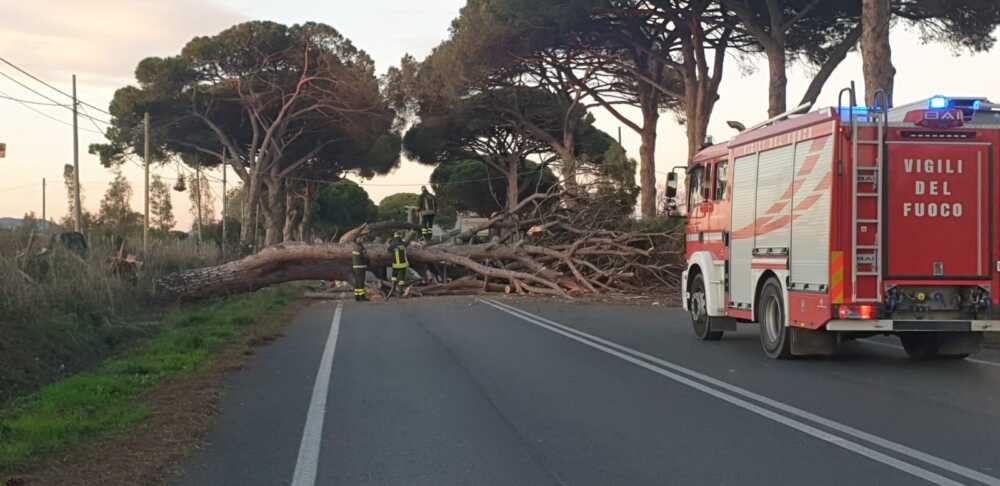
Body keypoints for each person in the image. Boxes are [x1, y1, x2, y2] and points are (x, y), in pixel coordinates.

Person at [387, 232, 411, 298]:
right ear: (400, 237)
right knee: (402, 279)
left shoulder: (392, 244)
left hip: (395, 265)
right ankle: (400, 291)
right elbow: (407, 243)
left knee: (394, 277)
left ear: (394, 237)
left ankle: (393, 288)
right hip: (403, 264)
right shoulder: (403, 244)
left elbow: (388, 250)